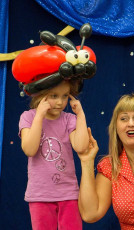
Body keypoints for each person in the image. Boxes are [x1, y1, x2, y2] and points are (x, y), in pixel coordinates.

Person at [78, 93, 134, 230]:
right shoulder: (109, 166)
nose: (130, 123)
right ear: (116, 128)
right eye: (124, 119)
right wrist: (87, 161)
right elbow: (90, 214)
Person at [19, 79, 89, 230]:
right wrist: (39, 116)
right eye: (54, 96)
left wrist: (80, 114)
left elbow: (81, 146)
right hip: (40, 195)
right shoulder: (28, 117)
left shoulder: (69, 119)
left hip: (68, 194)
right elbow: (29, 149)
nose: (60, 102)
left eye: (65, 96)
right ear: (40, 95)